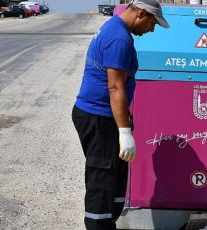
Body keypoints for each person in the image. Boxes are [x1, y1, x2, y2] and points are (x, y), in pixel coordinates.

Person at [71, 0, 169, 229]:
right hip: (99, 117)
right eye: (152, 23)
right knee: (102, 180)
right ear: (141, 13)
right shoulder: (119, 39)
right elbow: (115, 87)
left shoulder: (114, 27)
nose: (152, 29)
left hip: (106, 117)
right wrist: (125, 132)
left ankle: (109, 223)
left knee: (114, 178)